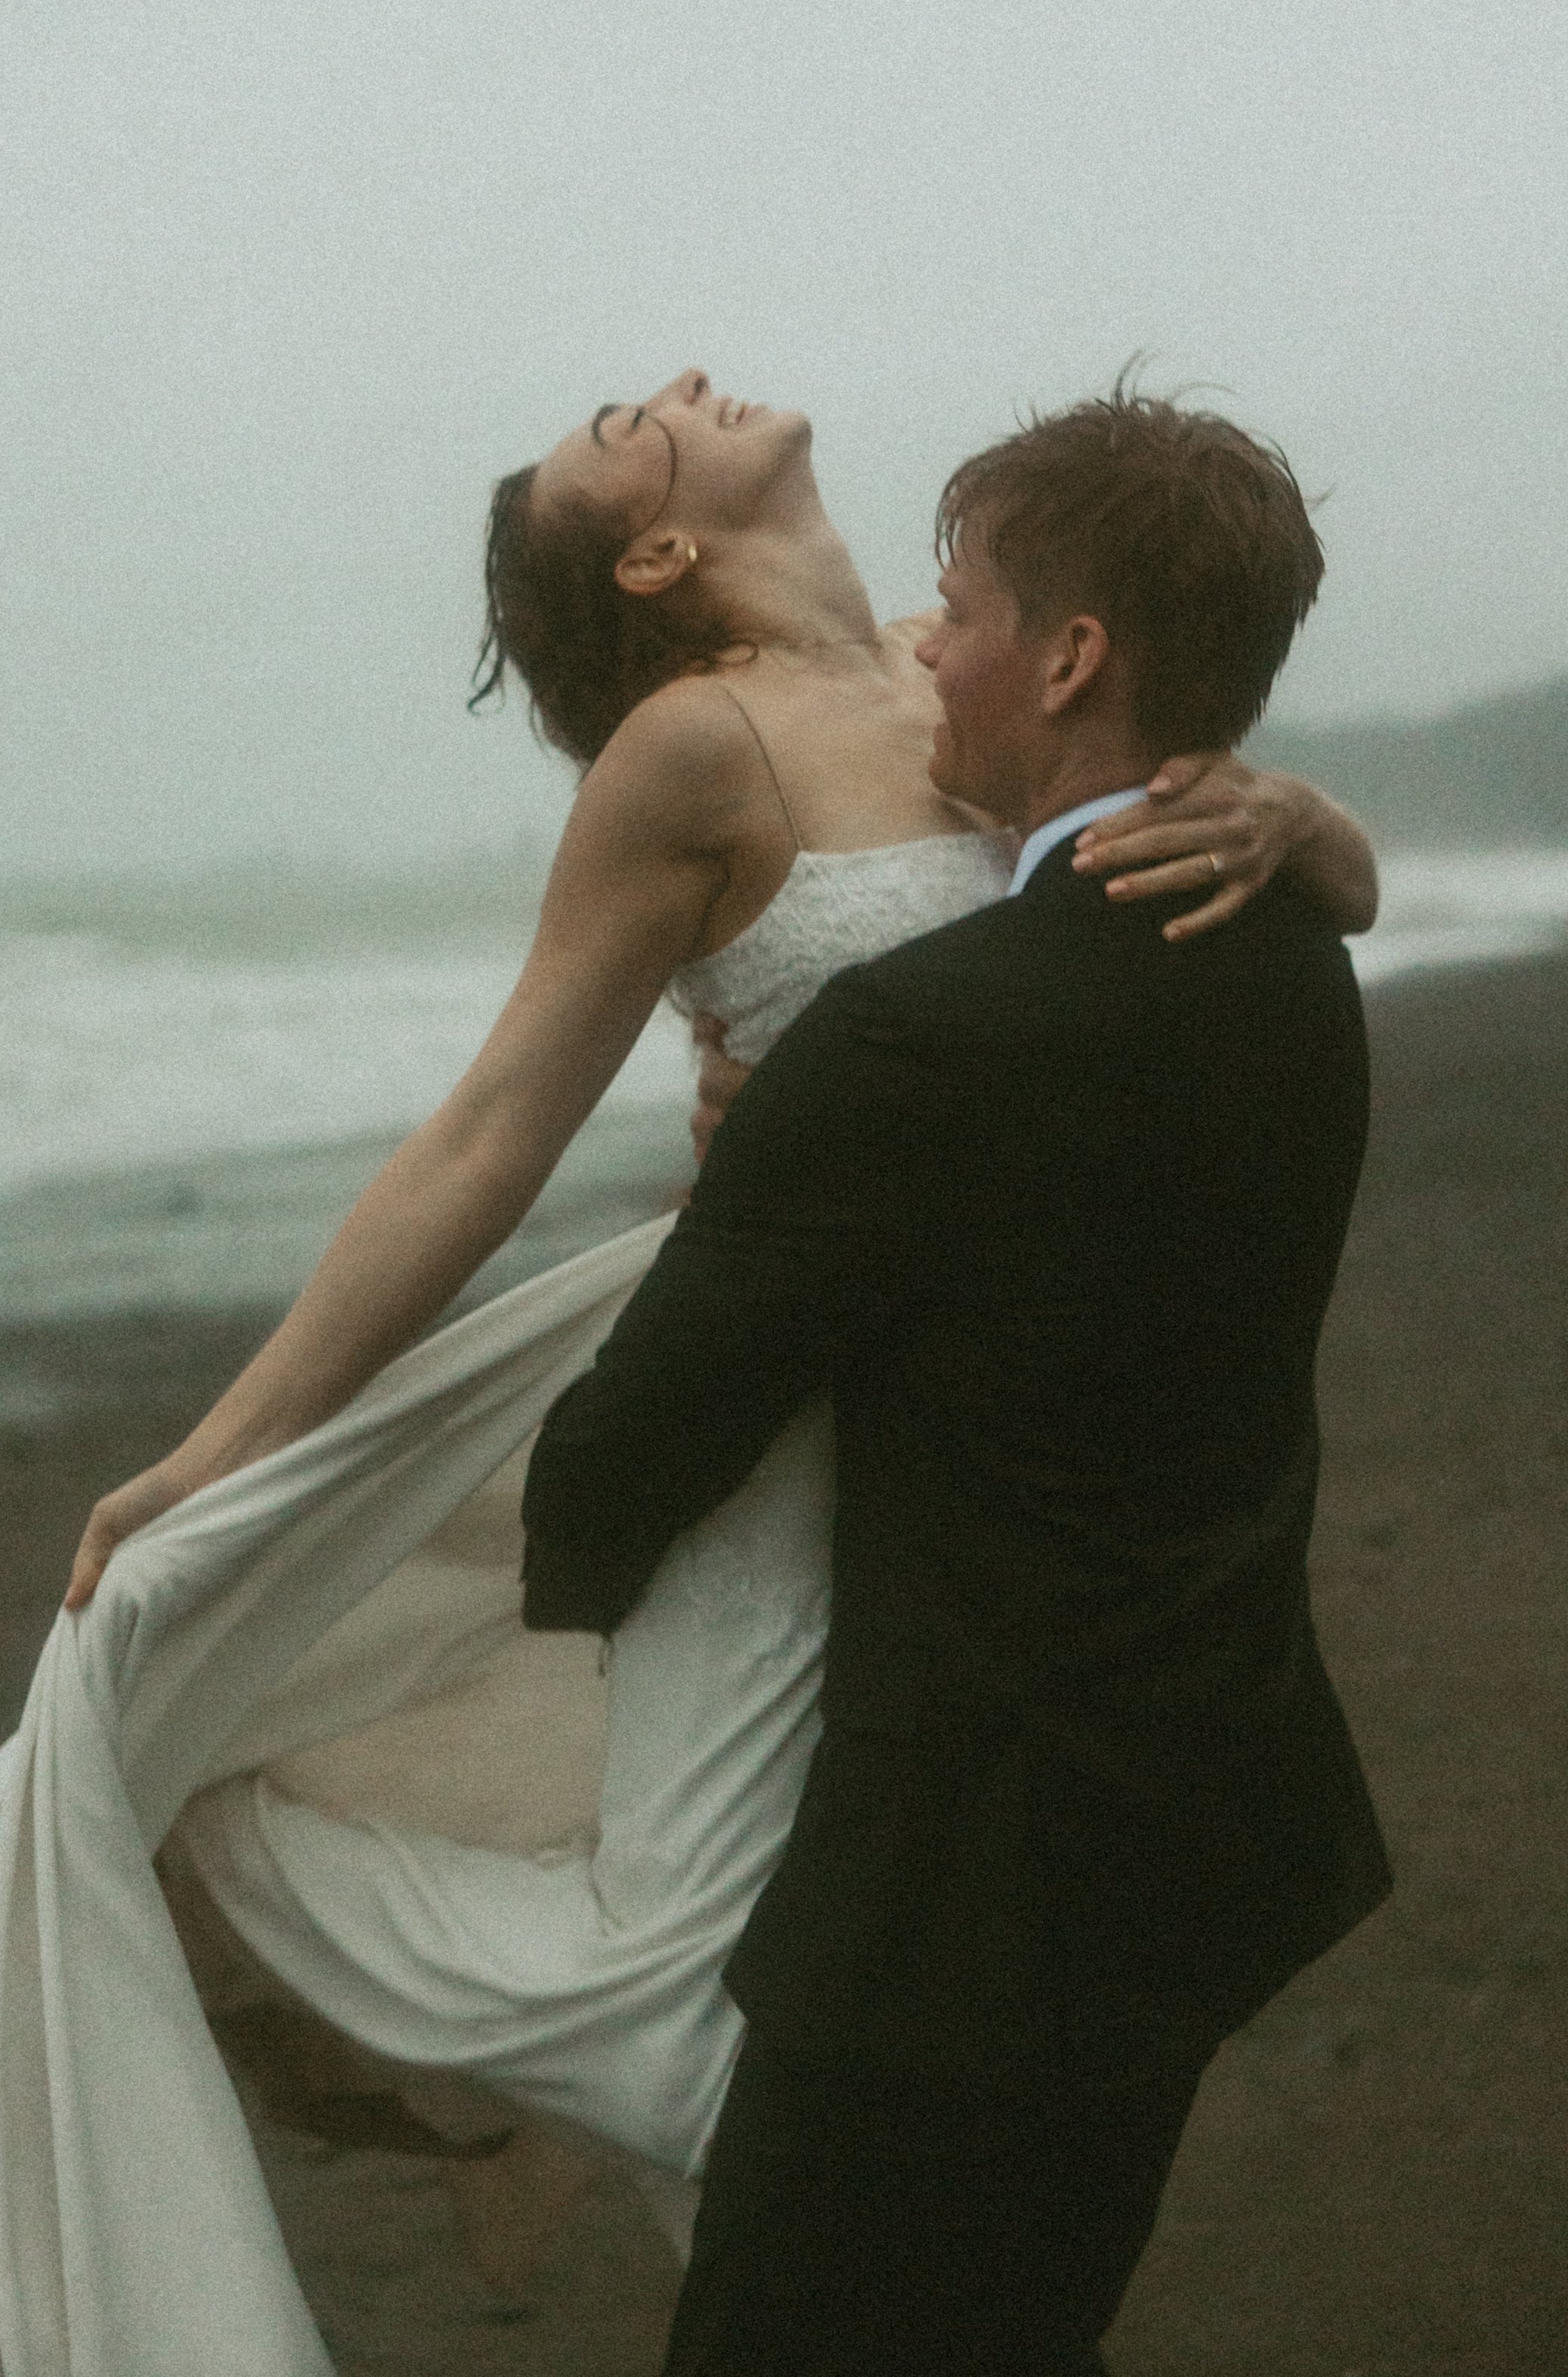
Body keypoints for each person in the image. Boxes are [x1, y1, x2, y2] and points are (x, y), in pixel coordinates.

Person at [0, 374, 1377, 2377]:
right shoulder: (696, 744)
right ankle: (380, 1996)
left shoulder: (971, 657)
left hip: (981, 1398)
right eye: (618, 429)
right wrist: (218, 1451)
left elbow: (1168, 848)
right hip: (778, 1373)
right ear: (655, 555)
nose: (661, 392)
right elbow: (487, 1133)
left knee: (877, 1941)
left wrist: (1298, 815)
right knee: (739, 1933)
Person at [520, 383, 1392, 2375]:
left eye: (961, 603)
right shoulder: (1296, 945)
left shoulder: (923, 1038)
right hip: (1200, 1831)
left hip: (960, 1911)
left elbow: (618, 1460)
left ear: (1069, 656)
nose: (926, 641)